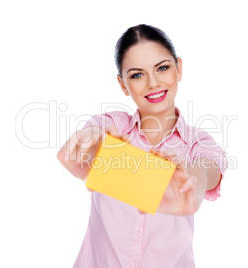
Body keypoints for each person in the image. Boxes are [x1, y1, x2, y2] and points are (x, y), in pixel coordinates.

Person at [57, 24, 228, 268]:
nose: (153, 83)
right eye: (137, 74)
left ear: (179, 69)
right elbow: (94, 133)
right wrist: (92, 143)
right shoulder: (113, 125)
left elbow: (208, 169)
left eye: (163, 68)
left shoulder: (198, 142)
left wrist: (192, 177)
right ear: (123, 84)